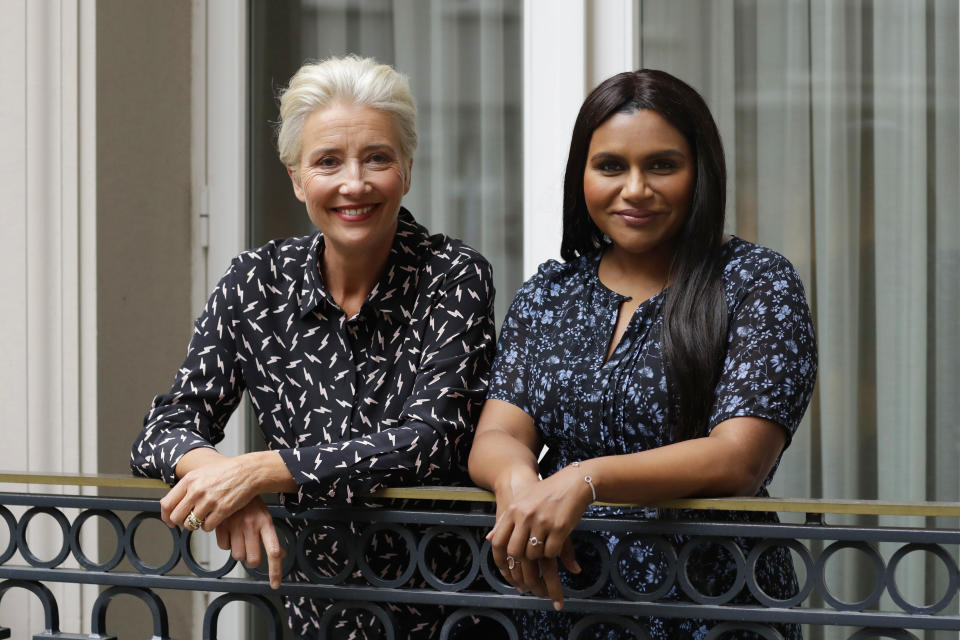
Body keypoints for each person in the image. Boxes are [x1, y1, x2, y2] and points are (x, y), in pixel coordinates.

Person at [131, 55, 497, 639]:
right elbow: (165, 426)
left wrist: (263, 471)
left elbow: (430, 440)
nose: (355, 183)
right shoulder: (256, 282)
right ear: (298, 177)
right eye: (328, 161)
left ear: (407, 168)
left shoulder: (454, 276)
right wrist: (224, 481)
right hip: (312, 614)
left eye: (377, 157)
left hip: (450, 611)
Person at [468, 69, 817, 639]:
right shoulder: (550, 293)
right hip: (561, 603)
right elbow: (498, 434)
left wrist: (582, 480)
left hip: (709, 601)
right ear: (580, 175)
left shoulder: (756, 282)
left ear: (700, 172)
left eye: (662, 165)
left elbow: (739, 460)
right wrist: (517, 484)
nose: (635, 189)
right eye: (610, 166)